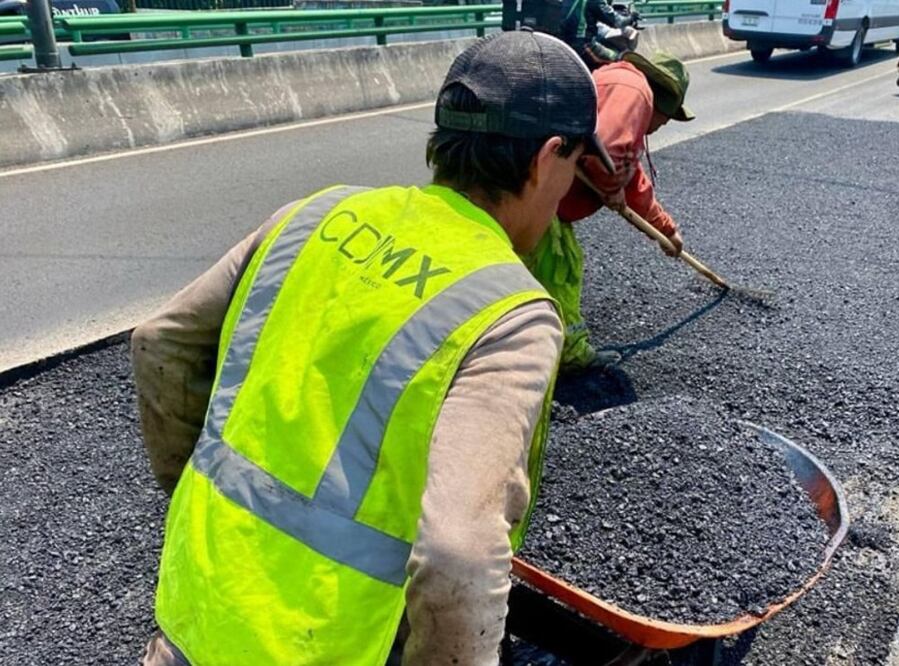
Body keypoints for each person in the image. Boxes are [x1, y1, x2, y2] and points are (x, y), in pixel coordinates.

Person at [132, 30, 614, 666]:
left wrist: (194, 493)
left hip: (197, 604)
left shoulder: (315, 215)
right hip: (327, 645)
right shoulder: (509, 313)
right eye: (574, 168)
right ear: (548, 157)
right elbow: (458, 556)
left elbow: (160, 343)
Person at [524, 50, 694, 372]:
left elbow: (631, 179)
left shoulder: (616, 83)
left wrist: (666, 230)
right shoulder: (635, 91)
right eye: (668, 119)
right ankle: (569, 354)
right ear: (665, 103)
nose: (662, 126)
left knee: (531, 271)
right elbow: (611, 152)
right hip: (538, 194)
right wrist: (610, 183)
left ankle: (522, 338)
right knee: (561, 271)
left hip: (541, 194)